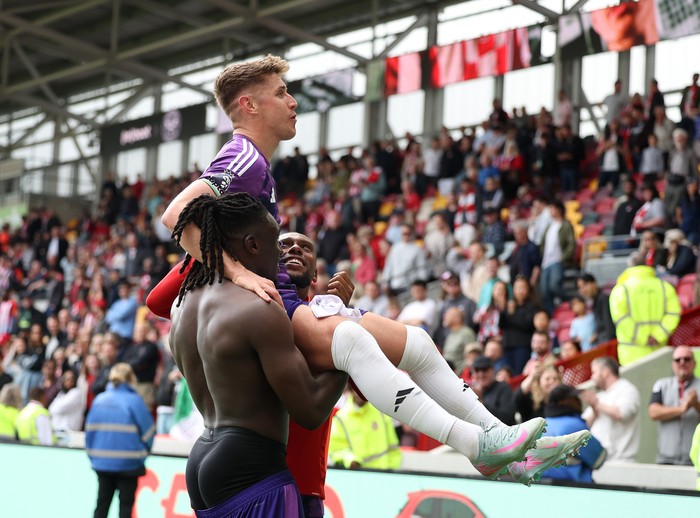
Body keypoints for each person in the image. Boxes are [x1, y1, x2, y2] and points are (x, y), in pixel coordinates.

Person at [151, 55, 586, 487]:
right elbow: (176, 215)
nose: (293, 102)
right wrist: (240, 274)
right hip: (275, 309)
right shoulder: (243, 155)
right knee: (354, 343)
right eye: (281, 93)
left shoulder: (256, 162)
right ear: (249, 105)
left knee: (416, 342)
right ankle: (476, 446)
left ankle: (504, 443)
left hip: (282, 310)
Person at [85, 363, 155, 518]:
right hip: (129, 463)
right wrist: (144, 452)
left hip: (103, 463)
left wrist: (94, 456)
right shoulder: (134, 401)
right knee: (125, 508)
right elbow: (149, 431)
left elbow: (89, 433)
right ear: (131, 378)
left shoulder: (99, 400)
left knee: (101, 506)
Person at [535, 384, 606, 484]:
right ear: (562, 402)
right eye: (573, 398)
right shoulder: (575, 426)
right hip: (569, 488)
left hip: (538, 488)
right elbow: (599, 460)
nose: (578, 401)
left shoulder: (541, 425)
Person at [581, 356, 640, 462]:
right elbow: (584, 425)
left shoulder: (627, 389)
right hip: (599, 461)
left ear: (605, 371)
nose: (592, 377)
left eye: (594, 372)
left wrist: (597, 405)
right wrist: (595, 408)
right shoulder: (600, 396)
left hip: (621, 461)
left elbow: (621, 413)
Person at [328, 385, 401, 470]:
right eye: (357, 389)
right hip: (357, 476)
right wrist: (350, 459)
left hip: (383, 475)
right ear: (351, 390)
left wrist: (392, 470)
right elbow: (335, 450)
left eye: (363, 389)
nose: (360, 393)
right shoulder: (341, 419)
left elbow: (393, 447)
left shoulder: (381, 411)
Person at [648, 346, 700, 465]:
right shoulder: (661, 384)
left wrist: (696, 404)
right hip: (665, 458)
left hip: (694, 459)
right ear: (672, 363)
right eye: (678, 360)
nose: (682, 362)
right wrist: (681, 409)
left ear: (694, 363)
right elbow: (653, 412)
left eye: (687, 359)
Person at [469, 356, 516, 426]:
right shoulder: (469, 392)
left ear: (493, 370)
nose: (481, 374)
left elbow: (507, 418)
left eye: (484, 369)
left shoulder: (503, 388)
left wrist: (481, 401)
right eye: (477, 370)